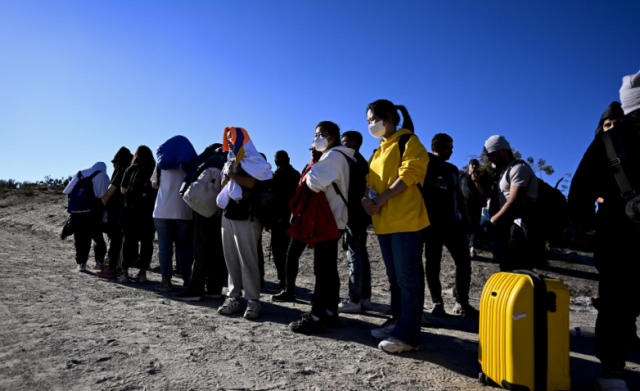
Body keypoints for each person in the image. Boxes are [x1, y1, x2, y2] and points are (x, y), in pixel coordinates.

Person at [569, 70, 640, 391]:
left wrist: (581, 227)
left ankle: (612, 371)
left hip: (617, 233)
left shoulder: (606, 141)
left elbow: (579, 190)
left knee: (614, 301)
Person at [362, 100, 429, 353]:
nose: (370, 124)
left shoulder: (409, 141)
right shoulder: (378, 150)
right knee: (394, 279)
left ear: (388, 117)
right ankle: (398, 323)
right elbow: (370, 180)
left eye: (372, 119)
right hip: (384, 222)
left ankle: (408, 336)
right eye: (368, 121)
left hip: (406, 219)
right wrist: (366, 198)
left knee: (407, 279)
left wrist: (382, 198)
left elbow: (410, 173)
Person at [288, 121, 356, 333]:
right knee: (329, 270)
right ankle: (330, 312)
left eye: (321, 134)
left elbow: (313, 183)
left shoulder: (334, 156)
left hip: (328, 220)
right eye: (315, 134)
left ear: (332, 137)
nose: (317, 137)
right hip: (335, 219)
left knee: (322, 270)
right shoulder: (341, 156)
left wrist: (312, 167)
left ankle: (316, 316)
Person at [216, 127, 273, 320]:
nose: (230, 141)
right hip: (230, 213)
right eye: (228, 138)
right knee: (230, 258)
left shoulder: (254, 159)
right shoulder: (231, 160)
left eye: (233, 138)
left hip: (248, 215)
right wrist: (228, 176)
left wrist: (231, 175)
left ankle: (253, 301)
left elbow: (251, 183)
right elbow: (225, 184)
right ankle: (233, 296)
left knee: (247, 260)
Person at [421, 133, 478, 318]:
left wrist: (466, 220)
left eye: (452, 148)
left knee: (463, 262)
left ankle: (462, 302)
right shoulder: (425, 162)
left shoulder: (453, 169)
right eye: (447, 148)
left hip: (453, 224)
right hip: (431, 225)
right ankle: (437, 303)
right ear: (435, 147)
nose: (451, 151)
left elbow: (459, 195)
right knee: (433, 265)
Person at [174, 144, 229, 301]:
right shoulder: (230, 162)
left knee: (201, 249)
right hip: (223, 211)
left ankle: (195, 290)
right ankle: (214, 289)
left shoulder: (206, 163)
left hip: (204, 210)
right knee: (219, 250)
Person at [271, 146, 322, 302]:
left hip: (294, 217)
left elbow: (279, 197)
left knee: (284, 252)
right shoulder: (298, 172)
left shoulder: (281, 174)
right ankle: (287, 286)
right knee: (289, 253)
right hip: (295, 217)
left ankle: (285, 285)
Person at [484, 135, 540, 271]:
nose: (489, 159)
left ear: (503, 151)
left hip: (522, 228)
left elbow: (515, 201)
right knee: (507, 268)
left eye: (491, 154)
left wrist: (493, 219)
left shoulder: (519, 169)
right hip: (509, 227)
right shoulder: (505, 171)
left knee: (520, 270)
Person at [152, 135, 197, 291]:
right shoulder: (192, 163)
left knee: (164, 248)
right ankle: (187, 279)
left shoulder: (161, 163)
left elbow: (154, 184)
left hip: (162, 210)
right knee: (184, 248)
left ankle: (166, 281)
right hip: (184, 211)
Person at [337, 130, 372, 314]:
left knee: (354, 256)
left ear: (354, 142)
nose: (342, 145)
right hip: (361, 214)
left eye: (345, 141)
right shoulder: (362, 161)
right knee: (362, 256)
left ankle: (354, 299)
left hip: (353, 214)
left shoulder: (352, 162)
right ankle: (365, 298)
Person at [118, 146, 157, 283]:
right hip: (148, 212)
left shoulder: (130, 169)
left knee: (128, 241)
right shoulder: (154, 169)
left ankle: (124, 273)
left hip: (131, 211)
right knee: (147, 243)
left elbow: (123, 190)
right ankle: (142, 273)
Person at [63, 162, 110, 272]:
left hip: (77, 211)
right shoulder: (103, 175)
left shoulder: (80, 173)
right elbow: (102, 195)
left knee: (80, 238)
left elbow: (66, 190)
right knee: (97, 236)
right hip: (94, 210)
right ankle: (99, 262)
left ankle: (81, 264)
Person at [268, 150, 300, 292]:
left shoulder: (278, 175)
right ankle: (287, 282)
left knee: (279, 251)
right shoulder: (296, 174)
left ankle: (283, 281)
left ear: (276, 161)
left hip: (279, 218)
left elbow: (275, 198)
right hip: (292, 217)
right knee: (289, 252)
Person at [98, 147, 133, 276]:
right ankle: (122, 268)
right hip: (129, 210)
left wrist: (103, 202)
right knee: (124, 239)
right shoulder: (132, 170)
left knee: (115, 238)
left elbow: (108, 194)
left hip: (116, 210)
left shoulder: (120, 171)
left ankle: (112, 268)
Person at [461, 159, 488, 258]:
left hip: (476, 206)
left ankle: (472, 248)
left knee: (474, 227)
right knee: (463, 226)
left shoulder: (482, 179)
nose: (474, 167)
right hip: (463, 206)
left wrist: (477, 182)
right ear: (469, 166)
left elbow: (483, 193)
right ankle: (463, 248)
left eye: (476, 165)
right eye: (472, 165)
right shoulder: (463, 177)